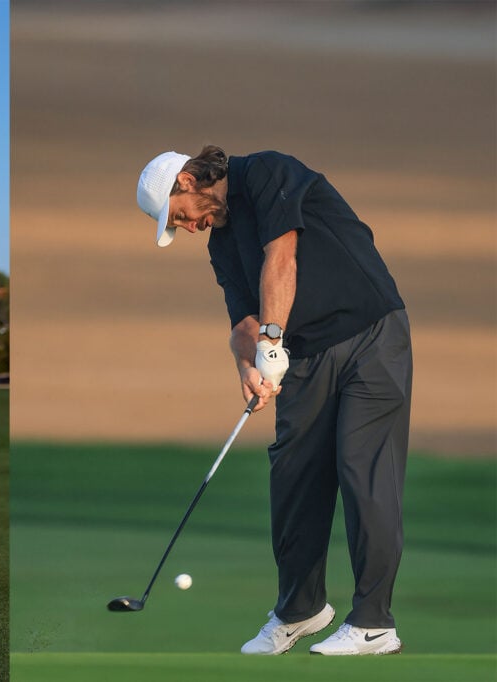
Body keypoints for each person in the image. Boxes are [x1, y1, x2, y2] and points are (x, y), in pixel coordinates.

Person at [137, 146, 411, 656]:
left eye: (180, 216)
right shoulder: (221, 244)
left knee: (361, 469)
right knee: (293, 476)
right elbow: (241, 321)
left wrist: (270, 340)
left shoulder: (265, 172)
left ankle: (373, 623)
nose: (190, 228)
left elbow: (281, 256)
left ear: (189, 181)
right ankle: (300, 610)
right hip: (304, 356)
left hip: (370, 334)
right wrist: (248, 364)